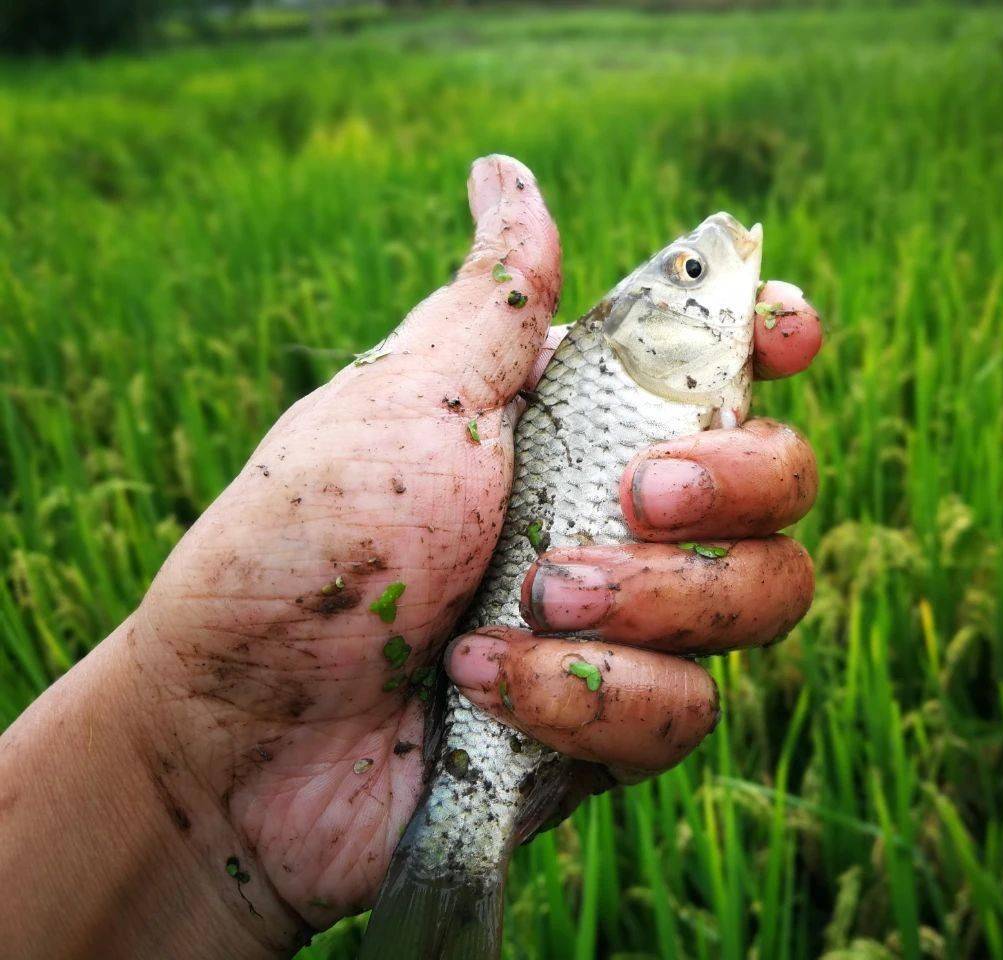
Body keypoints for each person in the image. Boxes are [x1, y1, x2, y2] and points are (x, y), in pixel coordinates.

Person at [0, 156, 822, 959]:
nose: (708, 263)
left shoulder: (632, 379)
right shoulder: (600, 380)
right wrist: (180, 756)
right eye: (689, 270)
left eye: (689, 271)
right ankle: (461, 841)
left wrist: (184, 787)